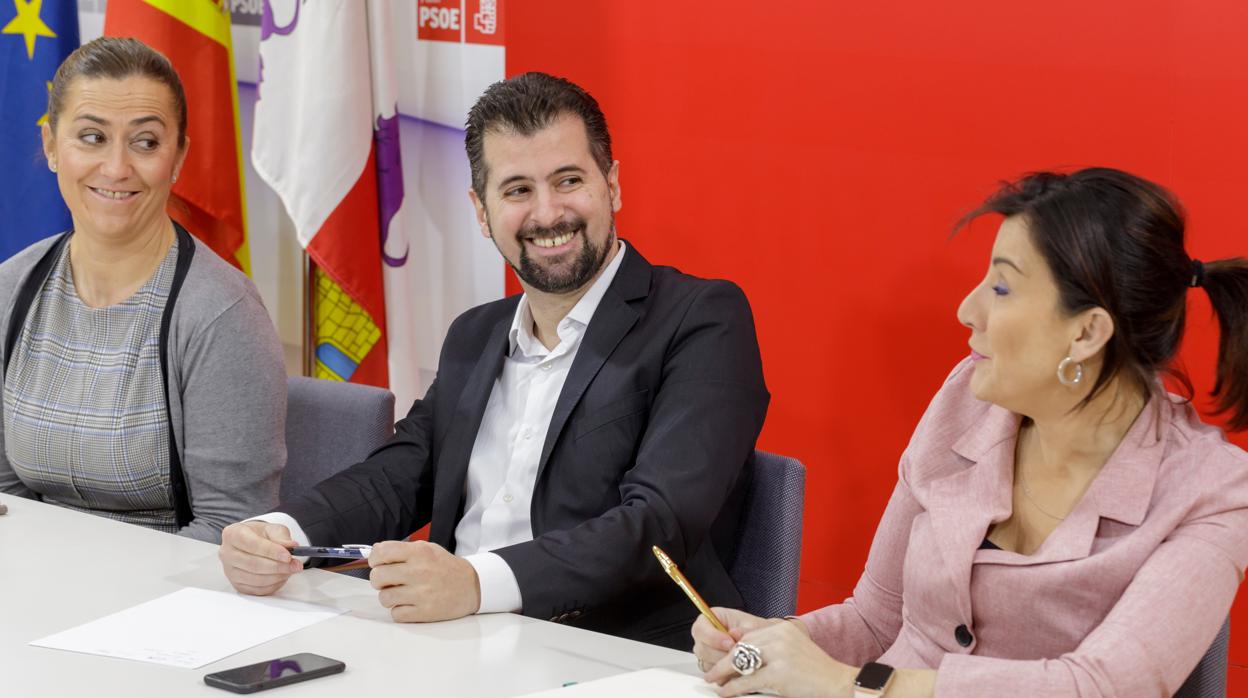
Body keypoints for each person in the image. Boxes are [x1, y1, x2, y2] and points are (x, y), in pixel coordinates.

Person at [217, 72, 769, 650]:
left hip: (614, 654)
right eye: (517, 190)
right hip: (454, 644)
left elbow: (659, 524)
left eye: (569, 180)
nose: (548, 212)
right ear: (481, 211)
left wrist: (475, 583)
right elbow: (400, 475)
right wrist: (280, 532)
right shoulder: (475, 333)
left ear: (612, 184)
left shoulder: (702, 319)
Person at [693, 168, 1248, 697]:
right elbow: (875, 618)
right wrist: (766, 645)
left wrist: (848, 685)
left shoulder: (1213, 492)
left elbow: (1104, 686)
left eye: (1002, 288)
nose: (967, 309)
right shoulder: (965, 400)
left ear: (1086, 333)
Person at [0, 37, 286, 543]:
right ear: (50, 146)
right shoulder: (11, 288)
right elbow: (5, 495)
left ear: (178, 159)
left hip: (170, 598)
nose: (116, 169)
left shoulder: (221, 313)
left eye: (146, 142)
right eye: (91, 137)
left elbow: (231, 529)